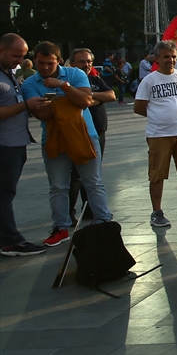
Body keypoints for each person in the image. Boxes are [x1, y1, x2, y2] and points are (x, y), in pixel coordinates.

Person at [22, 41, 114, 247]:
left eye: (50, 63)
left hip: (85, 135)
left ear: (59, 61)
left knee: (93, 182)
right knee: (58, 186)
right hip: (55, 139)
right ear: (35, 61)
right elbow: (42, 114)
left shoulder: (74, 75)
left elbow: (85, 101)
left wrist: (62, 87)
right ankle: (61, 227)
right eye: (40, 63)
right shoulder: (29, 84)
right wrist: (70, 100)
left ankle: (103, 221)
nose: (45, 68)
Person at [134, 40, 177, 231]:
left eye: (174, 56)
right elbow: (139, 107)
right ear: (157, 59)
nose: (170, 60)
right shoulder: (149, 80)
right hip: (159, 135)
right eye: (166, 57)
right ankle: (157, 212)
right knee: (157, 174)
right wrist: (157, 116)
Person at [0, 34, 47, 256]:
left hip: (16, 143)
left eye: (22, 56)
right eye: (15, 56)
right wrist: (26, 105)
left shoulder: (8, 74)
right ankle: (10, 241)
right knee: (4, 194)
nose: (19, 61)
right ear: (1, 50)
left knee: (6, 193)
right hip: (4, 145)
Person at [67, 48, 115, 224]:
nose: (86, 65)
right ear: (72, 64)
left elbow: (111, 95)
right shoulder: (67, 82)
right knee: (75, 176)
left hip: (98, 131)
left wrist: (89, 96)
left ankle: (90, 210)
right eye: (81, 61)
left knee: (93, 175)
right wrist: (90, 98)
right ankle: (68, 213)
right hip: (77, 133)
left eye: (88, 61)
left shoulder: (95, 79)